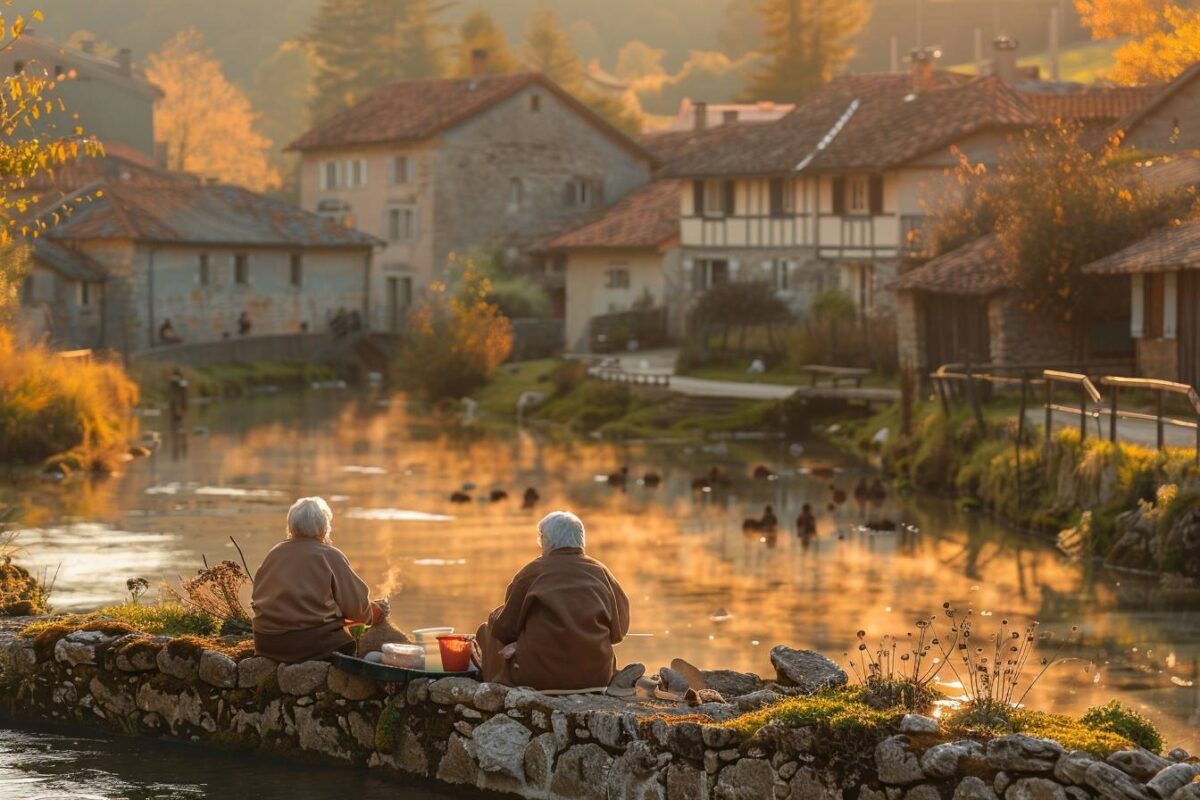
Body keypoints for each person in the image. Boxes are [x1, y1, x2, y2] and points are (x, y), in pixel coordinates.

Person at [474, 511, 629, 691]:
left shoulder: (532, 572)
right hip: (597, 677)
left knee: (486, 630)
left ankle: (495, 689)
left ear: (544, 538)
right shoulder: (602, 572)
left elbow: (504, 629)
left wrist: (498, 617)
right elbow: (619, 633)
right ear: (581, 539)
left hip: (538, 678)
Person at [251, 497, 386, 663]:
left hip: (266, 644)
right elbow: (358, 611)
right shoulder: (330, 555)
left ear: (291, 527)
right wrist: (376, 611)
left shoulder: (273, 554)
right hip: (311, 646)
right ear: (324, 529)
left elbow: (260, 598)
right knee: (351, 643)